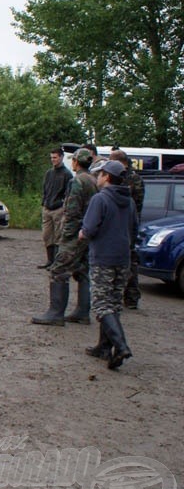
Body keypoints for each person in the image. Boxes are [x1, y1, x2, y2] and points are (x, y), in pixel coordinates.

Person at [79, 160, 135, 369]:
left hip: (103, 257)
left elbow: (90, 228)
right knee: (114, 302)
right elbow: (134, 229)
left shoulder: (100, 199)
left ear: (107, 177)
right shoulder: (129, 201)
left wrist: (82, 233)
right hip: (123, 257)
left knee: (102, 304)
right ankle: (103, 347)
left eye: (101, 173)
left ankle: (121, 347)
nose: (98, 177)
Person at [31, 148, 97, 326]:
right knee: (82, 271)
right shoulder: (93, 179)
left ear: (76, 162)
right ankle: (83, 312)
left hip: (74, 234)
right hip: (87, 232)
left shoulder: (77, 181)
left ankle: (56, 313)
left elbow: (72, 211)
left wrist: (66, 236)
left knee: (58, 270)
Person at [110, 150, 144, 309]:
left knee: (129, 260)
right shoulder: (129, 177)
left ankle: (130, 296)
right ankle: (126, 296)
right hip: (126, 223)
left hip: (128, 224)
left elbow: (136, 204)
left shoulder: (131, 179)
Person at [39, 146, 73, 269]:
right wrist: (44, 202)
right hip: (47, 207)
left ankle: (57, 262)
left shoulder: (67, 174)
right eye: (51, 158)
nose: (53, 160)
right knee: (47, 235)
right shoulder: (49, 173)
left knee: (58, 236)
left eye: (55, 157)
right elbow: (45, 189)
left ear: (61, 157)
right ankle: (49, 260)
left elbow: (69, 193)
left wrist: (63, 205)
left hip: (58, 208)